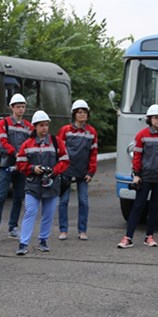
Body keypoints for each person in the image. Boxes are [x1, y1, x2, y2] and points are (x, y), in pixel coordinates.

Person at [118, 104, 158, 249]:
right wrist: (136, 174)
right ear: (149, 119)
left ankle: (149, 237)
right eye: (156, 117)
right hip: (145, 177)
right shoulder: (141, 135)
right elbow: (137, 156)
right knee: (138, 206)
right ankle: (128, 238)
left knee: (155, 208)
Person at [14, 110, 69, 255]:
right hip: (33, 184)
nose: (44, 128)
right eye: (41, 125)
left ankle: (43, 240)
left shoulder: (56, 142)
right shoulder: (27, 144)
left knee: (48, 214)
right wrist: (32, 168)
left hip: (51, 183)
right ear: (35, 127)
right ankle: (23, 243)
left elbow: (65, 160)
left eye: (46, 125)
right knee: (30, 211)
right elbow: (20, 162)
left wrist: (54, 171)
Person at [0, 93, 31, 243]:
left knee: (18, 198)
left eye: (23, 107)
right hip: (6, 165)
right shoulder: (3, 123)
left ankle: (13, 228)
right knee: (0, 198)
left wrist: (22, 157)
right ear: (12, 107)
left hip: (21, 168)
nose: (21, 109)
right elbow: (1, 142)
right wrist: (15, 153)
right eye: (18, 107)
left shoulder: (28, 126)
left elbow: (30, 145)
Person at [57, 99, 98, 241]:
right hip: (66, 171)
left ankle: (82, 230)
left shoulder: (91, 132)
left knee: (84, 201)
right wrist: (60, 169)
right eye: (79, 112)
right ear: (74, 114)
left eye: (85, 112)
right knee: (64, 201)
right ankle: (63, 230)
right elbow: (59, 151)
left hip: (83, 172)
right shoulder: (65, 131)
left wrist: (91, 171)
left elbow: (93, 153)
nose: (82, 115)